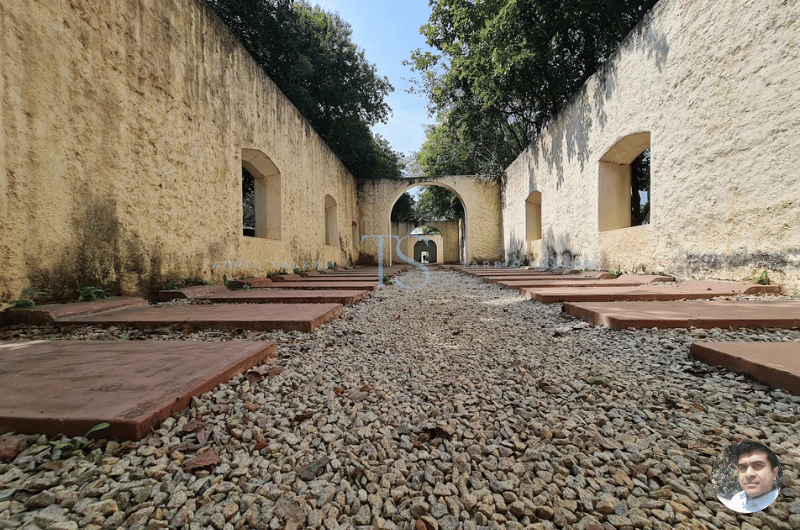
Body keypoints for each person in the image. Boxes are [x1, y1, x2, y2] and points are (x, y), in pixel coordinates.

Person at [720, 441, 781, 513]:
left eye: (757, 466)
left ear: (774, 473)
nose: (748, 474)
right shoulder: (737, 498)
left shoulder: (778, 508)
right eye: (743, 467)